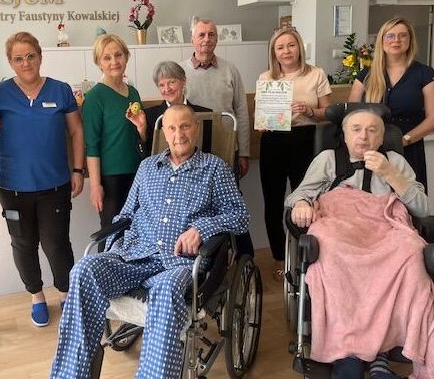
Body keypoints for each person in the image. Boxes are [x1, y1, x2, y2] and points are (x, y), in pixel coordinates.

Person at [50, 104, 250, 379]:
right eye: (172, 128)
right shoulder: (147, 168)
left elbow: (240, 216)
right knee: (83, 270)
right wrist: (113, 249)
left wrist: (201, 229)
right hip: (134, 254)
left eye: (185, 126)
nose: (179, 134)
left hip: (179, 263)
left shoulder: (214, 168)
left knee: (166, 290)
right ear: (164, 133)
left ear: (196, 129)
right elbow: (125, 214)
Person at [285, 108, 429, 379]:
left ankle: (380, 356)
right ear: (344, 135)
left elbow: (423, 208)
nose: (364, 136)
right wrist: (302, 204)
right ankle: (347, 351)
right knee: (328, 247)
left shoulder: (395, 161)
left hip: (386, 228)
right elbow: (299, 195)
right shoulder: (328, 159)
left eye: (372, 130)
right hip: (340, 227)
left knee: (411, 250)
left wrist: (390, 174)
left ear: (382, 137)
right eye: (356, 129)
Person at [0, 31, 84, 327]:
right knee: (23, 244)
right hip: (12, 187)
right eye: (18, 58)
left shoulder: (60, 90)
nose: (26, 63)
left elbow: (76, 132)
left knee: (57, 244)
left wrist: (78, 170)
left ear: (40, 57)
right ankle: (36, 296)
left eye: (31, 56)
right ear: (10, 62)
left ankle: (67, 294)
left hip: (54, 185)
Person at [258, 26, 331, 279]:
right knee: (273, 201)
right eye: (280, 47)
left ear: (299, 47)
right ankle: (280, 257)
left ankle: (306, 256)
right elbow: (261, 119)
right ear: (274, 52)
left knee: (307, 199)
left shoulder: (316, 74)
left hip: (306, 139)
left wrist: (310, 110)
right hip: (273, 141)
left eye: (291, 45)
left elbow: (328, 113)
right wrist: (264, 121)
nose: (286, 51)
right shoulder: (266, 77)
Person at [348, 17, 434, 191]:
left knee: (409, 199)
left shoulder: (424, 73)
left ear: (410, 40)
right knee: (370, 201)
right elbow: (350, 115)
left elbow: (432, 118)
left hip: (409, 149)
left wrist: (404, 140)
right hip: (370, 151)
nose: (396, 40)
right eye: (390, 36)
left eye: (403, 35)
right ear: (381, 40)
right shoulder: (366, 75)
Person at [82, 34, 147, 249]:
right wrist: (95, 185)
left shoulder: (133, 93)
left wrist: (142, 129)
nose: (114, 62)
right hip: (110, 179)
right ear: (98, 62)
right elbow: (92, 146)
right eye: (106, 57)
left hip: (137, 174)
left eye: (118, 55)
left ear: (126, 56)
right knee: (111, 232)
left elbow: (141, 139)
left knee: (135, 230)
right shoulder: (95, 97)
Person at [181, 19, 250, 179]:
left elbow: (241, 111)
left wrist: (244, 153)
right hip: (192, 149)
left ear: (217, 40)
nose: (207, 39)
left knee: (228, 193)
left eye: (211, 34)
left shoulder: (230, 69)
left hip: (226, 147)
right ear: (192, 40)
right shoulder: (180, 72)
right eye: (201, 35)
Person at [143, 60, 210, 155]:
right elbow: (147, 154)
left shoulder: (206, 114)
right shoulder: (149, 116)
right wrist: (141, 130)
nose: (167, 89)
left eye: (171, 82)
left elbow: (209, 151)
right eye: (161, 85)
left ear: (183, 81)